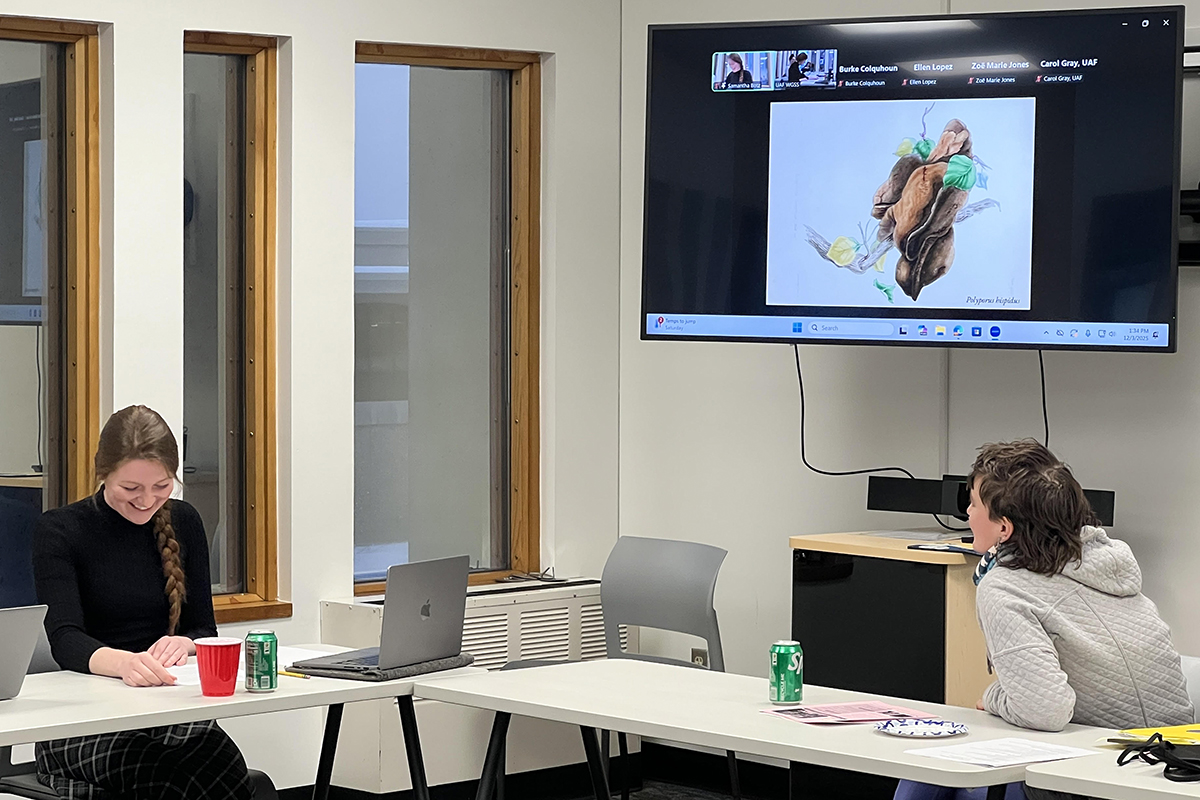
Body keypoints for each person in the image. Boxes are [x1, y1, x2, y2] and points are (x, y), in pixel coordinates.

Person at [896, 440, 1194, 800]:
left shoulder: (1005, 586)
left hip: (1100, 778)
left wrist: (993, 696)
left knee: (928, 770)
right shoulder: (1109, 566)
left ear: (1004, 529)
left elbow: (1046, 711)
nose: (968, 513)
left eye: (973, 503)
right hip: (1177, 771)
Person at [32, 405, 253, 800]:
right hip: (83, 720)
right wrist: (124, 664)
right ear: (103, 473)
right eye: (131, 488)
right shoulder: (60, 530)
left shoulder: (184, 521)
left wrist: (184, 644)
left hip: (164, 706)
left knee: (225, 770)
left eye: (162, 486)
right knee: (162, 778)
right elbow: (64, 638)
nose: (147, 500)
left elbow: (203, 628)